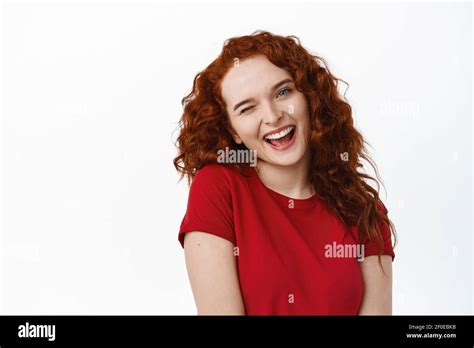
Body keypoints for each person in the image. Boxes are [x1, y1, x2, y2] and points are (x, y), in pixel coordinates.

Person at [173, 30, 397, 315]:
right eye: (247, 108)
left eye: (283, 92)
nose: (273, 115)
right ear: (233, 131)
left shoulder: (366, 212)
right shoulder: (218, 188)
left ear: (308, 96)